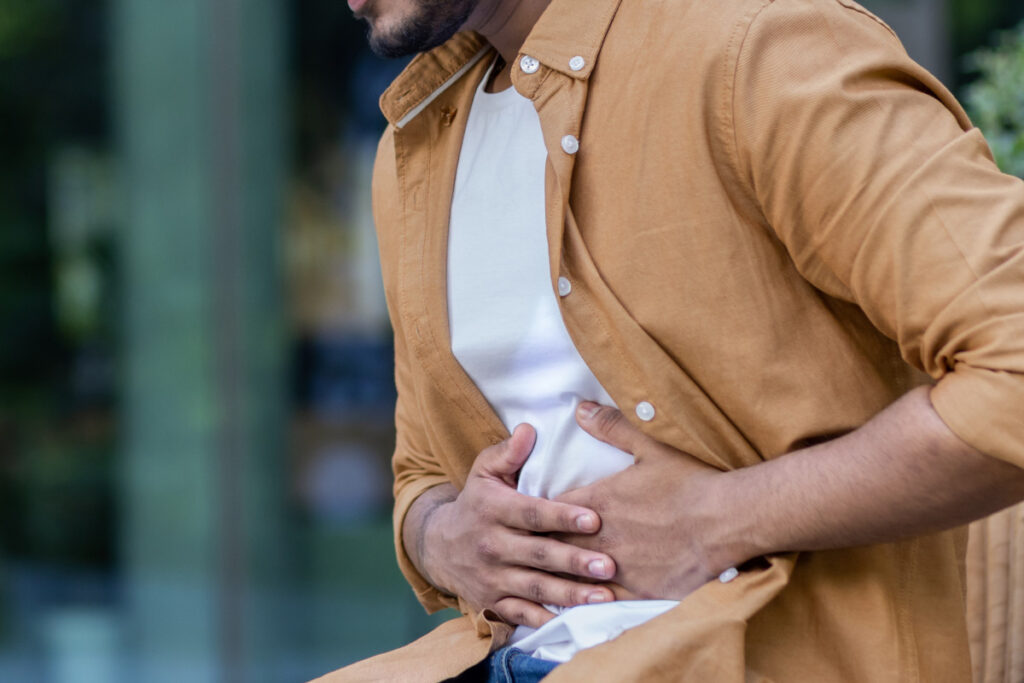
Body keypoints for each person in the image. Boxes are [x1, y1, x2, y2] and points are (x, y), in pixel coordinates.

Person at [320, 0, 1024, 680]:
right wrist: (442, 540)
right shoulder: (415, 144)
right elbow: (422, 471)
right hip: (500, 656)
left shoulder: (759, 50)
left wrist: (719, 520)